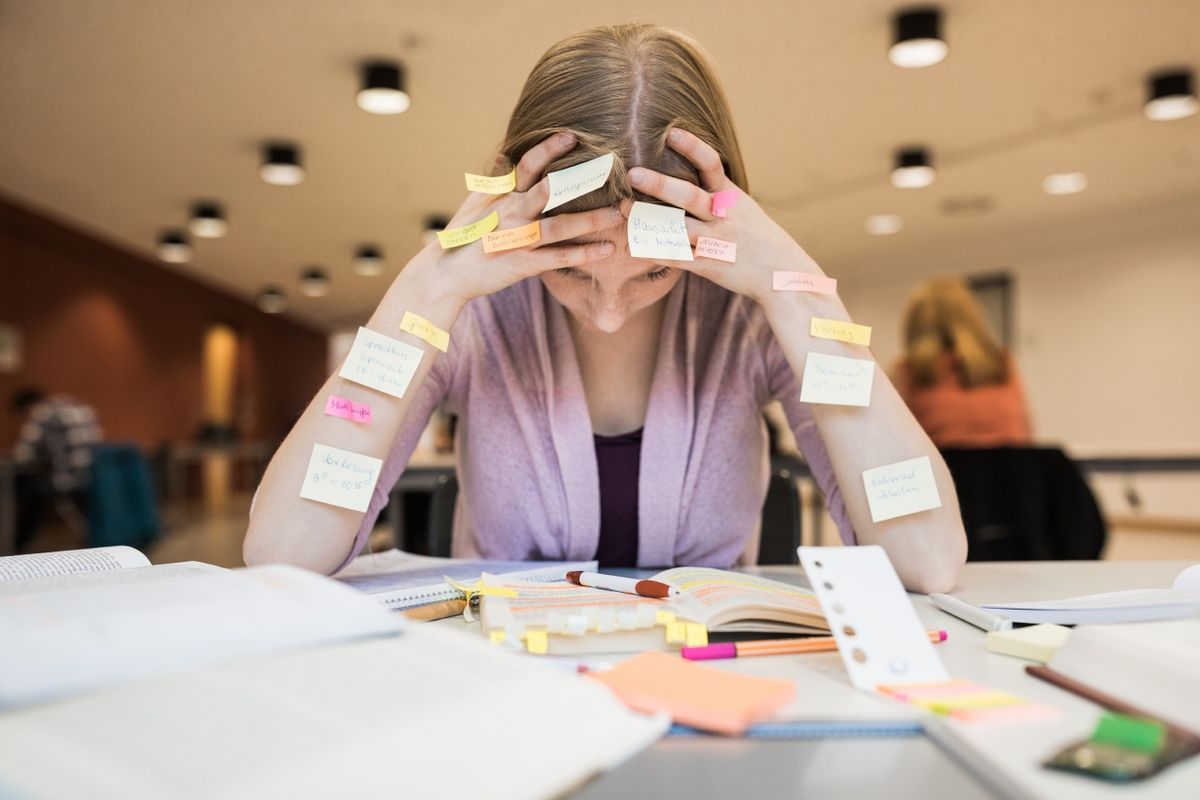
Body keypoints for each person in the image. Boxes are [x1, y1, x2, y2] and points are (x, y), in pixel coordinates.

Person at [245, 24, 967, 592]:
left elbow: (927, 559)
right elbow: (283, 553)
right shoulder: (469, 313)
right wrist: (423, 291)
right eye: (572, 271)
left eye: (653, 274)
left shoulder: (750, 315)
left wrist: (796, 286)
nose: (610, 313)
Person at [894, 278, 1033, 448]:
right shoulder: (1001, 363)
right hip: (1013, 470)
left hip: (945, 471)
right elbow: (1025, 431)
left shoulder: (907, 372)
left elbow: (897, 444)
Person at [10, 387, 103, 549]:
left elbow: (23, 453)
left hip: (66, 481)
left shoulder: (42, 412)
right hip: (93, 477)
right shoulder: (80, 407)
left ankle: (19, 544)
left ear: (27, 406)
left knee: (24, 489)